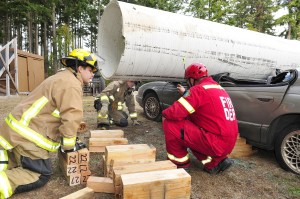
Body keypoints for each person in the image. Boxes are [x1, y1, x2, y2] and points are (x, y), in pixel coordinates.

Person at [0, 49, 98, 198]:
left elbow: (60, 113)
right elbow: (71, 116)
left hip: (14, 131)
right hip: (27, 137)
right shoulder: (71, 84)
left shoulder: (61, 78)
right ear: (79, 68)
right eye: (90, 70)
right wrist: (69, 147)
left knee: (12, 163)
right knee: (40, 173)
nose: (93, 74)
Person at [162, 63, 238, 174]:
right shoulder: (219, 89)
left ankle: (179, 164)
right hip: (228, 143)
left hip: (215, 143)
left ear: (192, 79)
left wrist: (163, 114)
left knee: (171, 123)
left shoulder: (198, 90)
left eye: (188, 80)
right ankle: (215, 162)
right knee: (192, 129)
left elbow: (175, 112)